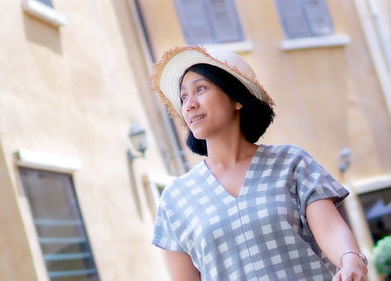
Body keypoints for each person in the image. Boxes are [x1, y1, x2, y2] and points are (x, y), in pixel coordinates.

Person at [151, 46, 368, 281]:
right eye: (184, 96)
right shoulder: (176, 198)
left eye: (200, 89)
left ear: (237, 98)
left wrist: (350, 260)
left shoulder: (291, 163)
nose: (189, 104)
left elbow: (330, 229)